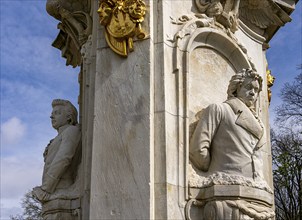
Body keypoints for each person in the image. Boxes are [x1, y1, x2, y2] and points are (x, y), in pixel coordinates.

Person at [189, 69, 265, 181]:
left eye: (256, 89)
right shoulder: (219, 109)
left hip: (257, 185)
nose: (253, 93)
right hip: (226, 180)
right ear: (236, 89)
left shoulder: (259, 123)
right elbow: (198, 149)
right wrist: (214, 169)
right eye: (248, 87)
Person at [33, 99, 81, 219]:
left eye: (57, 113)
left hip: (60, 190)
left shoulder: (71, 131)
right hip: (53, 195)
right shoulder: (58, 137)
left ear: (69, 117)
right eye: (52, 114)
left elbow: (63, 158)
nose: (51, 116)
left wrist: (45, 189)